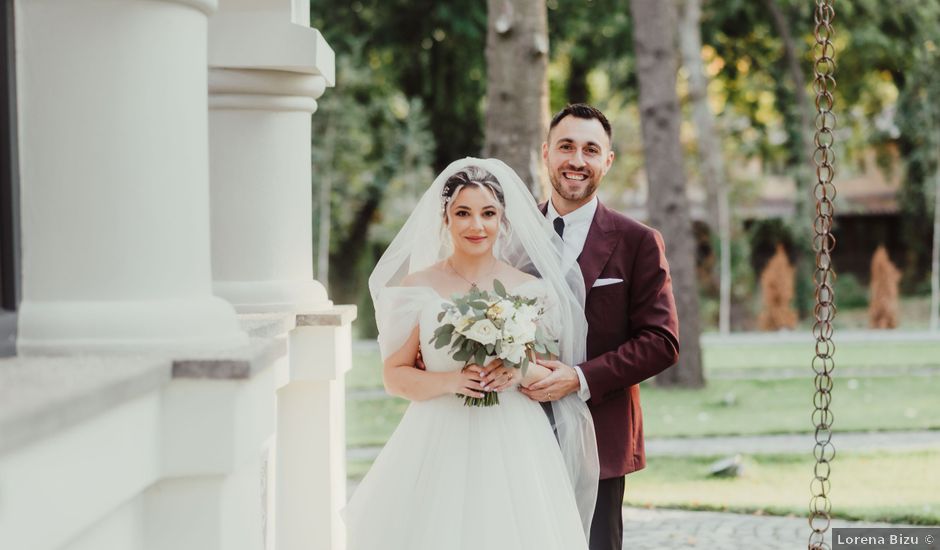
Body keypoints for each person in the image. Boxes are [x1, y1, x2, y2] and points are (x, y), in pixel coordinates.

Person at [344, 158, 600, 550]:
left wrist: (516, 371)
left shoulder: (531, 290)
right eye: (462, 213)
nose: (475, 225)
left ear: (503, 220)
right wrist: (450, 380)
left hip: (514, 437)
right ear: (445, 218)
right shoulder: (417, 287)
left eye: (488, 213)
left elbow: (544, 371)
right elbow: (394, 376)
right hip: (436, 435)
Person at [519, 103, 681, 550]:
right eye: (566, 146)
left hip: (599, 434)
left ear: (607, 161)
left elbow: (661, 341)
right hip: (515, 430)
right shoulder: (509, 234)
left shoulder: (638, 242)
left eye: (591, 149)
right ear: (546, 153)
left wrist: (579, 378)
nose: (577, 160)